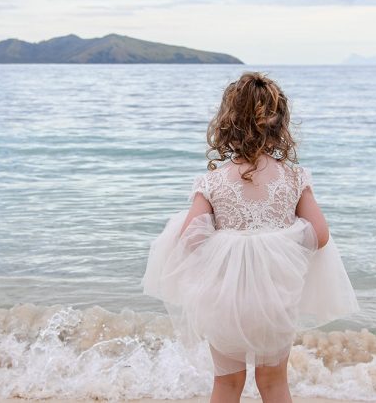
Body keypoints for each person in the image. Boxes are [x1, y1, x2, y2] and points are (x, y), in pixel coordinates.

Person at [142, 71, 359, 403]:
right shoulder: (294, 178)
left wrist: (229, 247)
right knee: (273, 382)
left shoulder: (212, 182)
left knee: (227, 383)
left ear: (227, 123)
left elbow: (191, 238)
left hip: (224, 299)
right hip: (275, 298)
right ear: (280, 124)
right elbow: (320, 234)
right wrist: (277, 244)